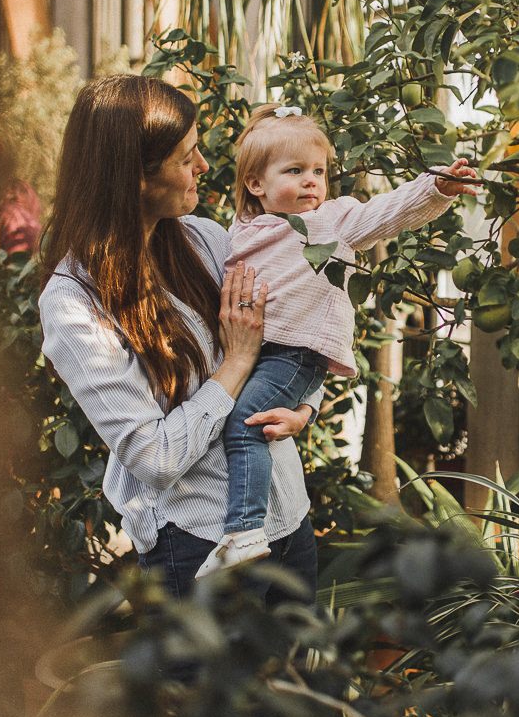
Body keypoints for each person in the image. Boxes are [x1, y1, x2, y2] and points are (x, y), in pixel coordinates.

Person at [36, 75, 322, 601]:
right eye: (187, 156)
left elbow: (296, 338)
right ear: (135, 178)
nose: (205, 167)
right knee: (207, 688)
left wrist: (306, 410)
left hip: (288, 520)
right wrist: (235, 364)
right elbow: (155, 460)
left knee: (298, 682)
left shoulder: (209, 241)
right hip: (197, 545)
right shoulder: (75, 302)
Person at [196, 104, 479, 578]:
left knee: (243, 423)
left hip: (294, 355)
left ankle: (243, 533)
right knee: (247, 422)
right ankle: (246, 530)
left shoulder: (332, 221)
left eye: (319, 171)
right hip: (266, 356)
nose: (312, 181)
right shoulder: (241, 232)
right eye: (296, 171)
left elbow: (387, 213)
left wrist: (436, 188)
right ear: (255, 184)